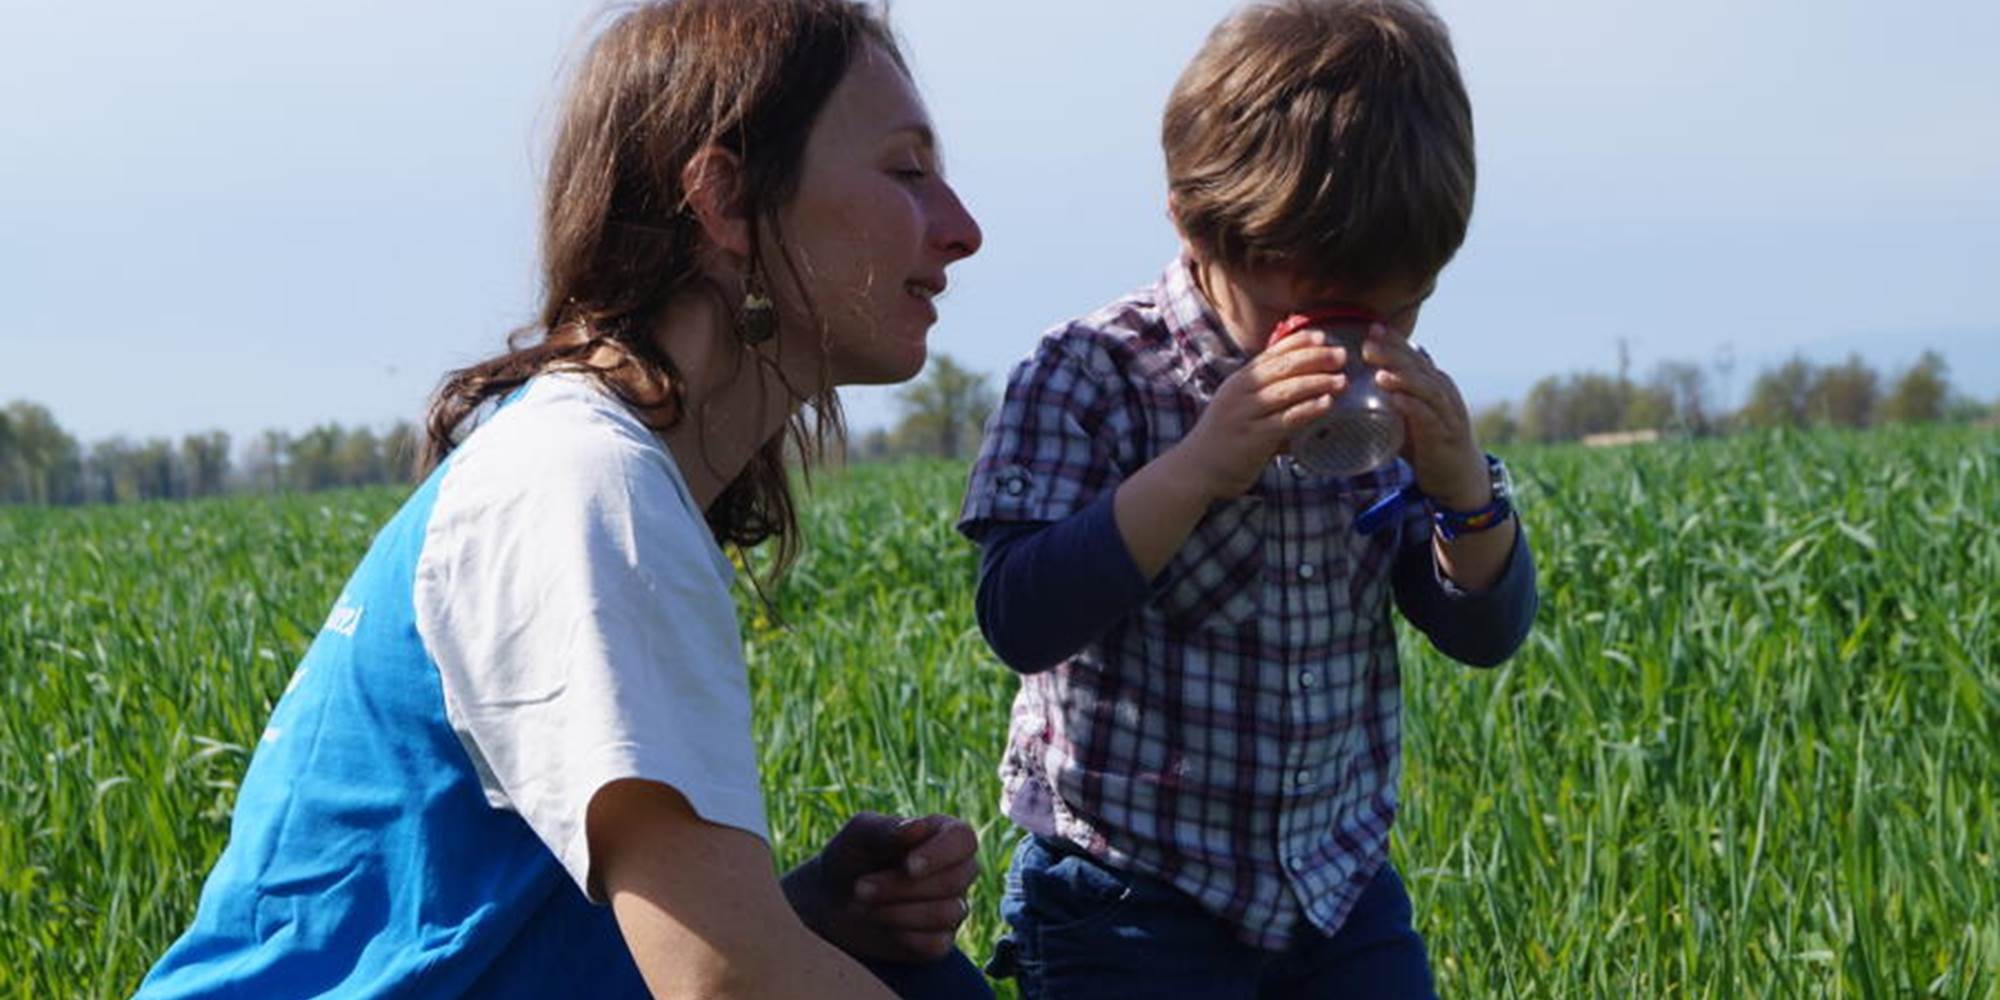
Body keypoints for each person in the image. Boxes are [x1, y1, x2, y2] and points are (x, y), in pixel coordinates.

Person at [135, 2, 991, 997]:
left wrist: (801, 916)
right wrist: (761, 945)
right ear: (724, 201)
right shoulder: (585, 486)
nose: (961, 229)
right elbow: (725, 983)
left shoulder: (582, 462)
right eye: (905, 170)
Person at [958, 1, 1537, 995]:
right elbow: (1017, 614)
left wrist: (1460, 490)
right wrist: (1193, 471)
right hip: (1127, 895)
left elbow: (1477, 630)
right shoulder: (1093, 372)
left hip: (1335, 887)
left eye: (1393, 309)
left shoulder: (1386, 391)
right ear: (1193, 224)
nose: (1347, 341)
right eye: (1298, 310)